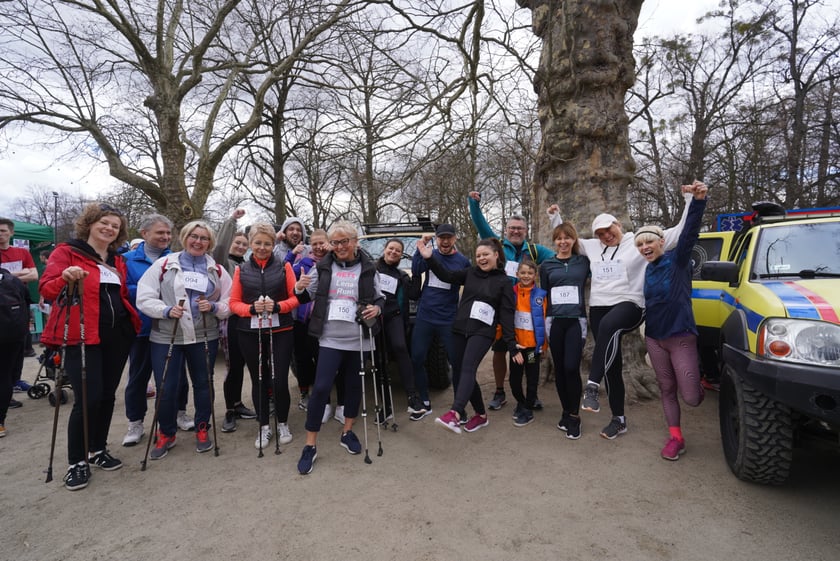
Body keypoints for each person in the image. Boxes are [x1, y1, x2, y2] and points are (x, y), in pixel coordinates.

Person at [548, 186, 694, 439]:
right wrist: (555, 217)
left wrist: (691, 200)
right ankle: (619, 419)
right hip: (599, 307)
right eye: (601, 233)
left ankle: (592, 386)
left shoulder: (638, 241)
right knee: (612, 367)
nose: (606, 235)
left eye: (609, 229)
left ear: (618, 225)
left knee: (609, 327)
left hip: (630, 304)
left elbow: (679, 234)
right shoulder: (592, 247)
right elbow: (567, 240)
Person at [39, 203, 140, 491]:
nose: (109, 228)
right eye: (104, 223)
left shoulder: (117, 259)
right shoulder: (66, 252)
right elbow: (47, 289)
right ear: (90, 223)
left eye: (115, 226)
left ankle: (97, 450)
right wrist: (65, 276)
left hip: (116, 336)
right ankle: (76, 461)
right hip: (82, 336)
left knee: (107, 395)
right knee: (88, 397)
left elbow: (120, 294)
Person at [293, 220, 385, 475]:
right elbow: (304, 294)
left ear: (355, 242)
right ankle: (310, 445)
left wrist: (377, 308)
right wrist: (297, 287)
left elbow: (380, 298)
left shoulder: (368, 268)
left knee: (354, 387)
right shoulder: (323, 268)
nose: (340, 246)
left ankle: (347, 431)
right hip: (330, 338)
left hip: (358, 338)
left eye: (345, 241)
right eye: (335, 242)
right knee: (321, 387)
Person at [136, 220, 231, 461]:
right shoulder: (164, 265)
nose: (198, 242)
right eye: (194, 236)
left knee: (203, 383)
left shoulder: (216, 270)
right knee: (166, 387)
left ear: (210, 243)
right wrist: (166, 310)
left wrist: (214, 306)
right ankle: (166, 432)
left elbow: (230, 302)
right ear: (185, 237)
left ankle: (202, 427)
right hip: (167, 335)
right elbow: (144, 297)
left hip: (204, 335)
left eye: (204, 238)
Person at [415, 236, 521, 434]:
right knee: (461, 371)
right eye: (478, 255)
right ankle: (480, 415)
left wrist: (511, 343)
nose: (481, 258)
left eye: (486, 254)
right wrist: (429, 258)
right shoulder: (470, 273)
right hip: (460, 328)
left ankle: (455, 413)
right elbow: (446, 275)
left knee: (468, 368)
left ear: (496, 255)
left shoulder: (504, 281)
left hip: (483, 332)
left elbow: (507, 314)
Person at [636, 182, 708, 460]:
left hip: (680, 336)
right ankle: (676, 438)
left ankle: (699, 382)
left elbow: (689, 233)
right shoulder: (647, 270)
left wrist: (697, 201)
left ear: (661, 242)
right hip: (655, 339)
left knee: (690, 396)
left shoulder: (677, 262)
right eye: (640, 244)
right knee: (666, 388)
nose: (645, 247)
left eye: (649, 241)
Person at [467, 193, 554, 411]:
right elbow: (480, 223)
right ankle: (499, 391)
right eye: (512, 228)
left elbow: (559, 256)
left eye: (520, 229)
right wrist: (474, 203)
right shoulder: (497, 246)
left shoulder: (535, 251)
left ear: (526, 231)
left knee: (528, 351)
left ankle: (530, 393)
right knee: (499, 350)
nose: (516, 231)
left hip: (525, 310)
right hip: (500, 308)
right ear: (506, 230)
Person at [121, 214, 193, 446]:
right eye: (160, 233)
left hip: (171, 327)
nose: (165, 237)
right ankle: (136, 422)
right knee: (139, 377)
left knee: (177, 377)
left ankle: (180, 413)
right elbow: (123, 289)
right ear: (144, 234)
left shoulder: (177, 258)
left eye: (168, 233)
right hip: (142, 327)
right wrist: (149, 290)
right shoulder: (126, 259)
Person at [229, 223, 299, 450]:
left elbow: (295, 298)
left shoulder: (284, 266)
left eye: (267, 243)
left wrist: (278, 306)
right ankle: (263, 426)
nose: (262, 247)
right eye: (258, 243)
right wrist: (250, 309)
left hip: (281, 331)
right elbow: (233, 303)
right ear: (251, 244)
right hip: (250, 331)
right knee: (259, 378)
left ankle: (282, 422)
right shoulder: (241, 269)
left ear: (273, 244)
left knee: (279, 379)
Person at [409, 223, 471, 419]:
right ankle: (425, 402)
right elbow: (416, 269)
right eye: (441, 237)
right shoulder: (430, 254)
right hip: (425, 316)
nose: (445, 241)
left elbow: (467, 285)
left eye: (448, 238)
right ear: (436, 238)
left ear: (454, 239)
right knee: (417, 358)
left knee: (456, 362)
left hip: (448, 319)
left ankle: (457, 408)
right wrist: (421, 247)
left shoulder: (462, 261)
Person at [539, 223, 590, 439]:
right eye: (559, 238)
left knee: (571, 367)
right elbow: (543, 294)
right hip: (554, 321)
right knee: (559, 368)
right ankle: (565, 410)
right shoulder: (547, 265)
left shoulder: (583, 262)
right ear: (554, 241)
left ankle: (575, 416)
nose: (563, 242)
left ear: (573, 240)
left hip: (576, 321)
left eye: (567, 238)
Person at [291, 229, 345, 424]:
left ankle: (342, 404)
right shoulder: (304, 263)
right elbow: (288, 274)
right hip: (308, 322)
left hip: (332, 321)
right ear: (309, 246)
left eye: (322, 243)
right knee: (317, 365)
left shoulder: (338, 261)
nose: (318, 247)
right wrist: (298, 286)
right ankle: (324, 403)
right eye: (314, 244)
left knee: (337, 365)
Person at [212, 209, 257, 433]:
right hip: (230, 320)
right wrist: (231, 221)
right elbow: (219, 246)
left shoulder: (248, 265)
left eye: (243, 244)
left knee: (246, 365)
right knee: (233, 367)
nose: (240, 246)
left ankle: (239, 405)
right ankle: (230, 409)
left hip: (248, 319)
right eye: (237, 243)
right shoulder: (222, 263)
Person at [375, 238, 424, 421]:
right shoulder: (371, 269)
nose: (393, 252)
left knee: (401, 348)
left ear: (401, 255)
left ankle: (413, 398)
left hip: (394, 316)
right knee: (379, 359)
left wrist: (418, 272)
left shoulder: (401, 275)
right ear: (385, 249)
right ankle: (385, 405)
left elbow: (413, 294)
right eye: (391, 248)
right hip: (374, 318)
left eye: (397, 251)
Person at [0, 218, 39, 402]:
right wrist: (19, 274)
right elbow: (27, 274)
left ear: (11, 233)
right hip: (2, 307)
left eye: (3, 231)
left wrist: (6, 275)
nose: (0, 234)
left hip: (20, 304)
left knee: (21, 343)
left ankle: (15, 380)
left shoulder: (21, 252)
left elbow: (34, 274)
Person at [508, 260, 547, 428]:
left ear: (535, 276)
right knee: (514, 380)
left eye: (530, 273)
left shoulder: (541, 295)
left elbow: (545, 321)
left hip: (531, 349)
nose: (526, 276)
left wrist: (543, 345)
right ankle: (521, 401)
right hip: (516, 348)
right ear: (517, 274)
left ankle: (528, 408)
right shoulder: (511, 293)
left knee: (532, 378)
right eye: (522, 273)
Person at [0, 267, 30, 438]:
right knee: (5, 377)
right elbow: (27, 302)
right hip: (14, 335)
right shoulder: (12, 280)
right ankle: (0, 423)